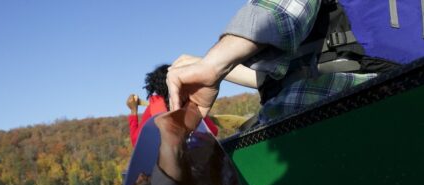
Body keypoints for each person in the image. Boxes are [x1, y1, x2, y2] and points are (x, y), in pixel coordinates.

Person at [166, 0, 397, 125]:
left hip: (336, 116)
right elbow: (275, 80)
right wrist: (216, 67)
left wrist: (213, 64)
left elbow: (281, 12)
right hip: (399, 98)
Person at [126, 64, 218, 147]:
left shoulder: (153, 108)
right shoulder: (191, 104)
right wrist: (205, 116)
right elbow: (213, 131)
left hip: (171, 160)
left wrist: (134, 111)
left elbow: (136, 142)